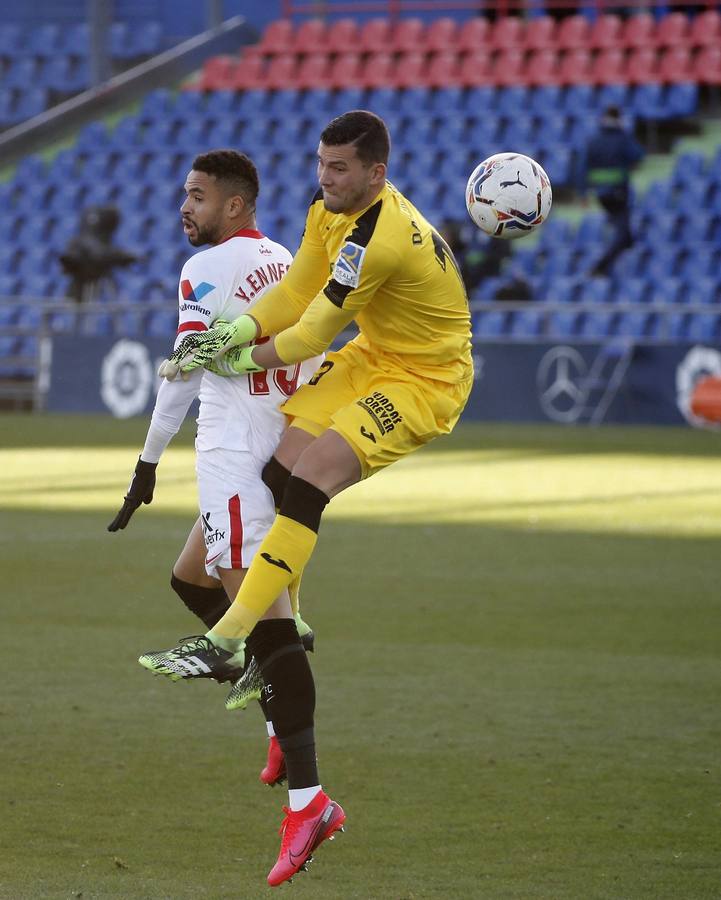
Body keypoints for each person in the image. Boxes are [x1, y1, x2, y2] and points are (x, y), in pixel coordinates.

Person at [143, 111, 474, 886]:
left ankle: (233, 635)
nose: (323, 179)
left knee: (311, 478)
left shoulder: (378, 239)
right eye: (320, 165)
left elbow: (311, 330)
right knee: (277, 474)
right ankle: (278, 647)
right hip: (373, 356)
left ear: (376, 175)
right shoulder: (326, 214)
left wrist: (231, 347)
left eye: (338, 170)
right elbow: (294, 290)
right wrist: (242, 332)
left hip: (423, 381)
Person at [108, 149, 321, 787]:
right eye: (185, 194)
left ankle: (301, 771)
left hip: (234, 452)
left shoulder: (205, 266)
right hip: (281, 447)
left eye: (197, 196)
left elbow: (185, 367)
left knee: (263, 621)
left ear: (234, 204)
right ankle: (273, 702)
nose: (184, 207)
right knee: (190, 581)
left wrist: (147, 461)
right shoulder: (287, 260)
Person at [577, 105, 645, 277]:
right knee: (624, 235)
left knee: (625, 234)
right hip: (619, 193)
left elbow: (583, 168)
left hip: (601, 194)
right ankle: (600, 267)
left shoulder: (593, 139)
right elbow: (637, 155)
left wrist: (583, 194)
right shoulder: (622, 138)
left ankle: (614, 264)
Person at [60, 205, 137, 302]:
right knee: (73, 304)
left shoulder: (102, 249)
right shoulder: (79, 244)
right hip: (81, 279)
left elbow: (102, 253)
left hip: (99, 271)